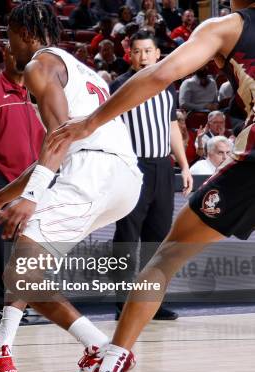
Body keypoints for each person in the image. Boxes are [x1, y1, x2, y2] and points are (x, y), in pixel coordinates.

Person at [48, 2, 255, 372]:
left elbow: (160, 74)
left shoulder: (228, 25)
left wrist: (90, 122)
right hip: (149, 165)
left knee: (164, 259)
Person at [0, 3, 141, 372]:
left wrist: (30, 197)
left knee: (22, 273)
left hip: (92, 171)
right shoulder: (82, 69)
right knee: (28, 261)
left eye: (10, 36)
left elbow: (59, 137)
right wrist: (1, 198)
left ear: (26, 33)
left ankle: (102, 350)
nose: (8, 47)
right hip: (124, 177)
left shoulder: (38, 66)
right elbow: (63, 147)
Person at [109, 30, 192, 321]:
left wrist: (183, 165)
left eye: (148, 51)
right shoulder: (119, 86)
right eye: (137, 52)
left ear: (158, 54)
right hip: (133, 168)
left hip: (162, 168)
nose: (143, 57)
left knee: (158, 243)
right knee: (127, 239)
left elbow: (172, 129)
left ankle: (150, 304)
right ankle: (122, 303)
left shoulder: (167, 87)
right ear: (129, 55)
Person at [0, 45, 46, 317]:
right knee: (0, 245)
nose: (21, 59)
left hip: (33, 181)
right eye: (14, 53)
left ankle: (24, 302)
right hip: (2, 181)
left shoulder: (35, 92)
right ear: (4, 56)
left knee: (29, 243)